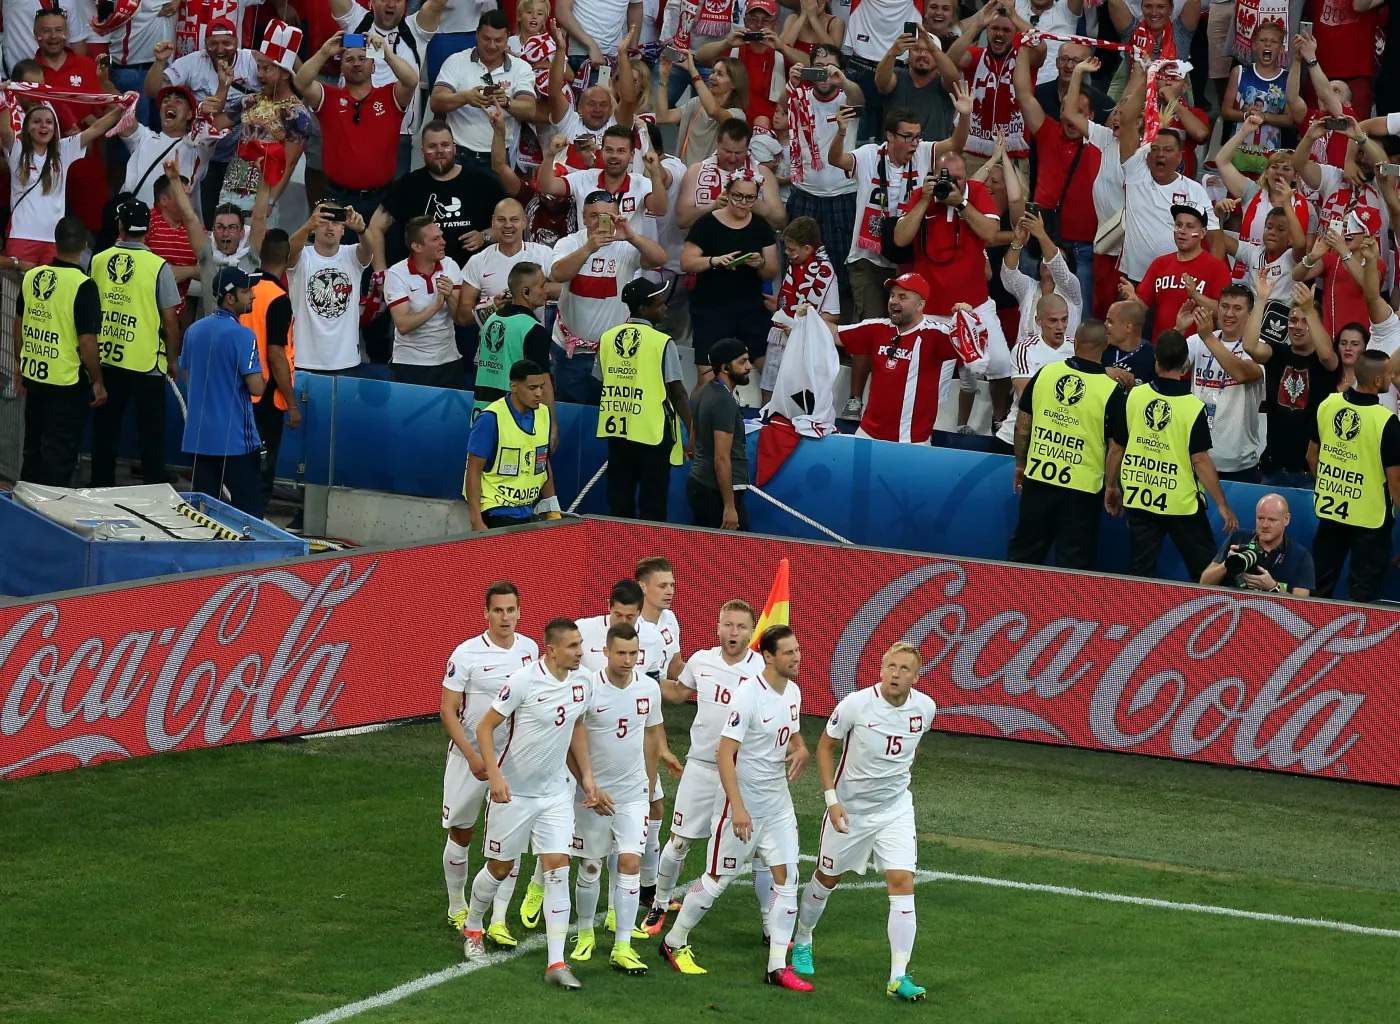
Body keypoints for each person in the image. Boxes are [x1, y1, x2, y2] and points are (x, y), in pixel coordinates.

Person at [659, 624, 811, 991]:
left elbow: (790, 732)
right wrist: (737, 807)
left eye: (797, 650)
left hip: (777, 804)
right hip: (741, 804)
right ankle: (673, 941)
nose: (797, 657)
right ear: (769, 657)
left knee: (787, 880)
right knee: (717, 879)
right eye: (789, 652)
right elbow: (724, 753)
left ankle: (776, 966)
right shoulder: (748, 696)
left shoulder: (793, 692)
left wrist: (800, 748)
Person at [790, 641, 937, 1002]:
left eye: (904, 669)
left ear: (916, 678)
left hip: (895, 810)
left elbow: (912, 747)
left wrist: (898, 786)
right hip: (850, 811)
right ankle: (803, 938)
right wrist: (832, 801)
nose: (896, 674)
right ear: (881, 669)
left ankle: (898, 977)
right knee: (826, 879)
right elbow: (826, 747)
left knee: (902, 881)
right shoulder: (855, 705)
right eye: (891, 666)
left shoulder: (925, 708)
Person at [466, 617, 602, 991]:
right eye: (573, 646)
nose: (580, 652)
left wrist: (587, 779)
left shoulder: (583, 682)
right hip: (515, 792)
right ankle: (473, 925)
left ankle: (556, 962)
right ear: (552, 649)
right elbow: (484, 727)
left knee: (558, 868)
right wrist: (495, 776)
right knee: (500, 867)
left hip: (556, 792)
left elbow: (576, 727)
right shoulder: (524, 680)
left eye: (581, 644)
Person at [643, 598, 762, 935]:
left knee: (758, 854)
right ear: (718, 626)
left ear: (752, 631)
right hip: (701, 767)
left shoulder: (761, 672)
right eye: (728, 624)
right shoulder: (701, 661)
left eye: (741, 626)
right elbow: (679, 692)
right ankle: (660, 904)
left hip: (741, 776)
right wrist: (643, 680)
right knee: (679, 842)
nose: (733, 632)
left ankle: (771, 927)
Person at [569, 622, 677, 973]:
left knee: (629, 863)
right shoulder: (588, 688)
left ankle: (622, 945)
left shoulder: (648, 688)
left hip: (632, 794)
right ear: (606, 652)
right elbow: (572, 739)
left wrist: (648, 783)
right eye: (621, 653)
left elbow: (650, 736)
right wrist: (587, 784)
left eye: (634, 653)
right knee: (589, 866)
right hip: (592, 793)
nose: (628, 660)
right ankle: (584, 933)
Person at [440, 581, 539, 952]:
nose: (505, 617)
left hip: (512, 758)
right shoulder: (466, 654)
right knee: (461, 833)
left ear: (520, 611)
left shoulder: (530, 650)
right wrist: (471, 755)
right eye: (498, 610)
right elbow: (447, 710)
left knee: (510, 840)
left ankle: (498, 920)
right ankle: (457, 905)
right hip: (469, 757)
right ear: (486, 613)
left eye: (511, 610)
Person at [1106, 330, 1239, 582]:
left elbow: (1117, 448)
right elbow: (1199, 460)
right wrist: (1221, 504)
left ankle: (1137, 620)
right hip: (1182, 504)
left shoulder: (1136, 395)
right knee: (1207, 574)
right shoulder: (1192, 407)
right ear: (1184, 363)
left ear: (1156, 359)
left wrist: (1111, 486)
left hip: (1140, 498)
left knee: (1140, 573)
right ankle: (1216, 618)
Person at [895, 149, 1013, 427]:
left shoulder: (976, 192)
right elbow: (900, 239)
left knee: (1000, 364)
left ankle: (999, 419)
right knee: (930, 380)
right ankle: (923, 431)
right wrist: (924, 201)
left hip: (975, 305)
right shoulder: (921, 195)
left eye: (959, 178)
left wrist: (961, 204)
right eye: (947, 178)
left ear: (967, 178)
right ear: (934, 175)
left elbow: (990, 233)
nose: (953, 183)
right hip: (933, 311)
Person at [89, 198, 184, 488]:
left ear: (120, 226)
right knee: (151, 432)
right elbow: (170, 320)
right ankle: (154, 489)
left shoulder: (98, 260)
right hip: (146, 363)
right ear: (148, 228)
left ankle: (99, 485)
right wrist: (172, 359)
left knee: (105, 429)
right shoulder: (158, 266)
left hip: (107, 358)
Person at [1008, 319, 1118, 568]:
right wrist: (1111, 485)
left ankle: (1008, 603)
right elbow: (1115, 447)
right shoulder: (1111, 390)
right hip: (1083, 489)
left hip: (1039, 478)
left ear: (1076, 343)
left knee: (1023, 554)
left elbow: (1022, 423)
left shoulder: (1046, 373)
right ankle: (1065, 608)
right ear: (1106, 345)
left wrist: (1020, 464)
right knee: (1074, 563)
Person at [549, 191, 668, 405]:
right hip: (570, 351)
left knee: (607, 412)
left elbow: (660, 258)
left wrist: (631, 236)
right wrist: (589, 248)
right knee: (568, 411)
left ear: (618, 216)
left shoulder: (626, 245)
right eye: (594, 216)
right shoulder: (569, 243)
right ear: (584, 217)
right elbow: (558, 274)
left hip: (613, 353)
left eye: (607, 216)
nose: (599, 221)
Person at [13, 215, 104, 486]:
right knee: (59, 454)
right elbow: (87, 341)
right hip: (66, 382)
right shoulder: (83, 285)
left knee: (32, 448)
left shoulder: (32, 277)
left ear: (55, 243)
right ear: (85, 245)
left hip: (35, 375)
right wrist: (98, 380)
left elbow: (18, 325)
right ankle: (50, 515)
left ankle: (24, 504)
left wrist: (20, 365)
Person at [295, 30, 419, 222]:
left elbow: (412, 80)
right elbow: (301, 83)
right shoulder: (329, 97)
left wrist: (386, 52)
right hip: (338, 197)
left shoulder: (389, 96)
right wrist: (324, 52)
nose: (357, 63)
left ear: (373, 67)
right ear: (342, 68)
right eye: (349, 59)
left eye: (363, 58)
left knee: (380, 252)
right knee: (337, 252)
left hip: (381, 200)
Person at [596, 278, 693, 521]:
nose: (665, 308)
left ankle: (617, 553)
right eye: (660, 304)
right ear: (643, 309)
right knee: (653, 505)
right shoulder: (661, 342)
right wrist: (692, 430)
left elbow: (601, 378)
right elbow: (677, 391)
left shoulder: (607, 337)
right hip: (653, 435)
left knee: (619, 503)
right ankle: (651, 557)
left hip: (617, 432)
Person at [1012, 37, 1100, 305]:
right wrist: (1024, 49)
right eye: (1067, 110)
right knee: (1030, 308)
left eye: (1080, 112)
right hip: (1041, 236)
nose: (1072, 117)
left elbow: (1128, 108)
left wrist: (1142, 68)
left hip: (1085, 246)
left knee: (1079, 316)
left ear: (1092, 117)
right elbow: (1024, 94)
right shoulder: (1048, 132)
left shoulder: (1103, 141)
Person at [146, 18, 260, 224]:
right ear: (204, 42)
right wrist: (159, 61)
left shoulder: (251, 59)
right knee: (205, 217)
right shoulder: (193, 61)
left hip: (244, 157)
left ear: (237, 41)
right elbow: (152, 91)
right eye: (213, 44)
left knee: (241, 219)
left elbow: (288, 77)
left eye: (227, 43)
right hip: (204, 155)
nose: (220, 50)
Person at [1307, 350, 1400, 603]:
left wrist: (1329, 485)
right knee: (1363, 597)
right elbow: (1396, 483)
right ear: (1378, 382)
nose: (1393, 376)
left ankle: (1311, 639)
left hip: (1330, 513)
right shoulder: (1387, 422)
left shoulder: (1328, 404)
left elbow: (1311, 456)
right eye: (1390, 373)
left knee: (1318, 588)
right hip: (1371, 523)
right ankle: (1353, 642)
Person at [178, 267, 267, 517]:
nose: (252, 296)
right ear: (230, 298)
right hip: (236, 442)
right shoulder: (243, 335)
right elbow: (256, 387)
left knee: (205, 516)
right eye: (246, 291)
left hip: (199, 440)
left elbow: (187, 378)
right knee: (249, 515)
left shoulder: (194, 330)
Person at [837, 272, 963, 444]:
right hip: (868, 433)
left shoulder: (935, 334)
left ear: (920, 305)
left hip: (911, 441)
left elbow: (973, 346)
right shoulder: (877, 328)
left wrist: (968, 319)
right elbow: (834, 334)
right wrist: (804, 319)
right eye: (892, 295)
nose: (893, 301)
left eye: (902, 297)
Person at [1117, 83, 1220, 286]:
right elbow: (1127, 122)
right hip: (1135, 281)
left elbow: (1216, 238)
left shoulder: (1194, 190)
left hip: (1176, 282)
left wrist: (1212, 278)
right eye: (1155, 148)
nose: (1160, 154)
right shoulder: (1136, 174)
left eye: (1167, 149)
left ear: (1179, 157)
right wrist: (1147, 78)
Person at [681, 175, 780, 386]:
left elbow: (771, 272)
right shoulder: (707, 223)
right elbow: (687, 262)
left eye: (749, 198)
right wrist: (713, 261)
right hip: (711, 308)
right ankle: (700, 417)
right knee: (708, 377)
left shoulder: (761, 226)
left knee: (770, 373)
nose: (743, 203)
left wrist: (759, 263)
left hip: (751, 307)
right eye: (737, 196)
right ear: (726, 193)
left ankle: (771, 416)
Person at [780, 47, 860, 300]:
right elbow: (783, 103)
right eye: (819, 67)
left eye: (831, 67)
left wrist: (843, 81)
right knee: (796, 264)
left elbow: (861, 100)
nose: (825, 74)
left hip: (843, 196)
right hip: (805, 194)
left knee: (841, 270)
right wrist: (792, 82)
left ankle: (835, 331)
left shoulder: (847, 98)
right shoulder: (799, 95)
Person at [330, 0, 447, 176]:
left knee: (394, 199)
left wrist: (384, 51)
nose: (391, 5)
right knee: (348, 190)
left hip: (397, 134)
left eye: (398, 0)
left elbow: (436, 4)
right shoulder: (356, 20)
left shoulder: (416, 29)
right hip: (352, 129)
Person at [1, 97, 121, 268]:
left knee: (50, 293)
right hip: (22, 237)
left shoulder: (62, 150)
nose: (44, 126)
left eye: (49, 122)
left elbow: (95, 129)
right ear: (27, 128)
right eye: (37, 121)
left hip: (54, 241)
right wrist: (2, 98)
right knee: (17, 294)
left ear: (54, 128)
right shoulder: (18, 151)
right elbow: (5, 131)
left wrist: (120, 109)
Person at [1242, 278, 1339, 488]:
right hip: (1273, 469)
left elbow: (1327, 354)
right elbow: (1249, 346)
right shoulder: (1278, 353)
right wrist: (1260, 300)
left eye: (1305, 321)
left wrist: (1309, 309)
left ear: (1315, 325)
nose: (1298, 327)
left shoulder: (1325, 361)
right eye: (1293, 320)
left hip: (1310, 473)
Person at [431, 9, 538, 176]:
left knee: (498, 203)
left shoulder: (521, 67)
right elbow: (436, 102)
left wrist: (507, 102)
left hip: (498, 156)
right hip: (458, 153)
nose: (492, 46)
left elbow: (530, 109)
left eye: (498, 40)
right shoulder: (456, 60)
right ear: (477, 35)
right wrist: (465, 97)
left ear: (508, 38)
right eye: (486, 39)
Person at [218, 22, 311, 213]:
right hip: (229, 189)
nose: (259, 75)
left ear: (285, 74)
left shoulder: (297, 113)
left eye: (267, 69)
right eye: (259, 67)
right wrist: (223, 87)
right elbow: (216, 125)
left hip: (262, 193)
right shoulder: (249, 101)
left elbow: (289, 162)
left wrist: (269, 202)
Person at [34, 5, 108, 234]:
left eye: (58, 30)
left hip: (86, 165)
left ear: (67, 33)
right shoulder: (29, 71)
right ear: (36, 35)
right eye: (46, 31)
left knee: (93, 230)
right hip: (45, 168)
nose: (53, 37)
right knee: (46, 231)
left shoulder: (86, 66)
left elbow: (103, 112)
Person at [944, 1, 1039, 178]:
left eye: (1006, 30)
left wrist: (1014, 15)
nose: (999, 34)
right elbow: (951, 60)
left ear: (1016, 34)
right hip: (974, 153)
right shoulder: (975, 56)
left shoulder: (1026, 59)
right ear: (987, 31)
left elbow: (1040, 46)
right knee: (967, 203)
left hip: (1013, 156)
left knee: (1014, 205)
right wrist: (976, 26)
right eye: (994, 28)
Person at [464, 358, 557, 530]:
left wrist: (553, 508)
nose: (539, 393)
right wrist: (476, 520)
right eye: (532, 388)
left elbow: (542, 461)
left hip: (528, 513)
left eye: (541, 387)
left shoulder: (544, 413)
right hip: (496, 514)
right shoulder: (491, 419)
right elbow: (473, 470)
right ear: (514, 387)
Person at [241, 228, 297, 507]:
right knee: (261, 465)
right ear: (287, 259)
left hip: (233, 390)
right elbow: (276, 354)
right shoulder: (277, 297)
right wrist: (292, 403)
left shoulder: (239, 287)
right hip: (264, 397)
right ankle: (254, 521)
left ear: (260, 255)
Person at [286, 202, 374, 376]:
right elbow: (287, 252)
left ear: (343, 229)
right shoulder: (302, 255)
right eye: (324, 221)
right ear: (313, 229)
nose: (329, 227)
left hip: (345, 360)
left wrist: (362, 230)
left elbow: (370, 250)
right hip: (305, 359)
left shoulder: (351, 254)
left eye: (335, 222)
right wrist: (307, 225)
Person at [762, 216, 841, 402]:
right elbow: (793, 301)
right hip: (779, 336)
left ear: (807, 248)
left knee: (792, 396)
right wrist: (780, 305)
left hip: (802, 343)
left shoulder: (825, 273)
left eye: (791, 249)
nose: (787, 253)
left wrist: (801, 325)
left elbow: (833, 314)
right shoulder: (795, 265)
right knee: (768, 390)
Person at [1128, 202, 1232, 342]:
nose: (1182, 231)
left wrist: (1196, 296)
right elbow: (1141, 309)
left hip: (1198, 352)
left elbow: (1224, 312)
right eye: (1178, 225)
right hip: (1162, 351)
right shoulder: (1160, 264)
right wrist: (1133, 301)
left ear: (1202, 233)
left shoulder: (1217, 268)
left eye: (1190, 227)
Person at [382, 216, 465, 389]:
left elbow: (460, 318)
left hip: (449, 361)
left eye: (441, 236)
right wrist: (435, 306)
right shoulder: (397, 274)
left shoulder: (450, 265)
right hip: (410, 365)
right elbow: (403, 325)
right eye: (435, 239)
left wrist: (450, 296)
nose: (443, 242)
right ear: (417, 246)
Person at [694, 0, 807, 126]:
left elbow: (808, 65)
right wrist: (726, 43)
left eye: (766, 21)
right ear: (745, 21)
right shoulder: (734, 47)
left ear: (775, 25)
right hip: (733, 128)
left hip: (769, 131)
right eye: (753, 20)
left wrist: (782, 47)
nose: (759, 25)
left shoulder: (780, 52)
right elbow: (700, 56)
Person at [539, 126, 669, 231]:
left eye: (621, 151)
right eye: (609, 150)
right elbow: (546, 186)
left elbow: (660, 210)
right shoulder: (584, 178)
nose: (614, 156)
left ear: (631, 155)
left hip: (626, 260)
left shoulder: (641, 183)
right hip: (588, 257)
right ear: (601, 153)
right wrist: (550, 155)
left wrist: (655, 174)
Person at [119, 81, 226, 210]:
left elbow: (214, 124)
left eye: (178, 101)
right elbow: (124, 119)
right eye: (165, 101)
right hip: (131, 220)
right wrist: (121, 98)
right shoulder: (144, 137)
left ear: (189, 114)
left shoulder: (196, 148)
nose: (169, 103)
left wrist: (223, 85)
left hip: (168, 225)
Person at [475, 261, 556, 425]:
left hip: (482, 413)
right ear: (526, 292)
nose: (546, 290)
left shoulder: (491, 320)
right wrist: (551, 424)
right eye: (541, 285)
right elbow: (544, 383)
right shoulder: (533, 329)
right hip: (514, 420)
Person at [1220, 21, 1305, 176]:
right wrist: (1247, 115)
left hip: (1270, 160)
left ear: (1281, 48)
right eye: (1263, 41)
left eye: (1273, 42)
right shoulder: (1239, 72)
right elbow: (1225, 111)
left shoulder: (1288, 79)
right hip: (1238, 154)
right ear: (1253, 45)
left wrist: (1264, 117)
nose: (1268, 45)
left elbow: (1291, 119)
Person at [675, 117, 786, 233]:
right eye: (727, 151)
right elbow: (682, 220)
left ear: (747, 148)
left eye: (738, 153)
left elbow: (781, 222)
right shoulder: (696, 171)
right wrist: (712, 207)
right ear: (718, 144)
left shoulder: (763, 173)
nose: (732, 158)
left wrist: (760, 208)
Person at [688, 337, 751, 530]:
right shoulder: (723, 401)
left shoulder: (705, 390)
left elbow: (692, 440)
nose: (749, 366)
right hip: (715, 494)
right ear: (725, 368)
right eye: (742, 362)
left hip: (700, 484)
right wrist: (730, 507)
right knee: (736, 553)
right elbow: (721, 459)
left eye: (748, 360)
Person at [460, 198, 556, 327]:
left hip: (534, 340)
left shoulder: (543, 254)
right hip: (493, 344)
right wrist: (491, 307)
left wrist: (535, 292)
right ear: (493, 222)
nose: (508, 225)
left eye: (514, 219)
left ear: (524, 222)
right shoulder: (478, 261)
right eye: (501, 219)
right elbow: (462, 316)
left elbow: (564, 290)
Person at [1200, 493, 1315, 596]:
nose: (1264, 525)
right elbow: (1204, 583)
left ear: (1286, 520)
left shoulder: (1301, 556)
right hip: (1233, 609)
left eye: (1272, 520)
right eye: (1260, 518)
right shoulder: (1238, 538)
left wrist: (1273, 587)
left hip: (1272, 616)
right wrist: (1229, 563)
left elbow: (1301, 607)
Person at [656, 52, 751, 166]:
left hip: (708, 178)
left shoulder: (737, 115)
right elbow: (663, 117)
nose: (712, 77)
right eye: (713, 72)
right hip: (684, 174)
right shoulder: (696, 102)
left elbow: (713, 111)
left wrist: (693, 71)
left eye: (720, 74)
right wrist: (664, 77)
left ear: (734, 84)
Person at [875, 28, 959, 144]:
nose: (922, 54)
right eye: (917, 49)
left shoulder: (944, 84)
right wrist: (892, 53)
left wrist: (933, 48)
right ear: (908, 54)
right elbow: (881, 83)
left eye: (928, 51)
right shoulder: (897, 76)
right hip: (894, 155)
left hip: (933, 156)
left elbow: (954, 79)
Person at [196, 191, 268, 322]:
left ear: (241, 233)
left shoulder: (250, 251)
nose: (225, 233)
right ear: (213, 230)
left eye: (232, 228)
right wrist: (174, 180)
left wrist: (265, 175)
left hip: (244, 333)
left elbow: (260, 217)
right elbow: (189, 217)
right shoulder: (206, 251)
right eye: (220, 227)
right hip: (212, 335)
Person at [1102, 300, 1155, 386]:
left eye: (1110, 321)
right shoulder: (1101, 348)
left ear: (1128, 327)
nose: (1105, 325)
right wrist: (1103, 372)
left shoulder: (1153, 357)